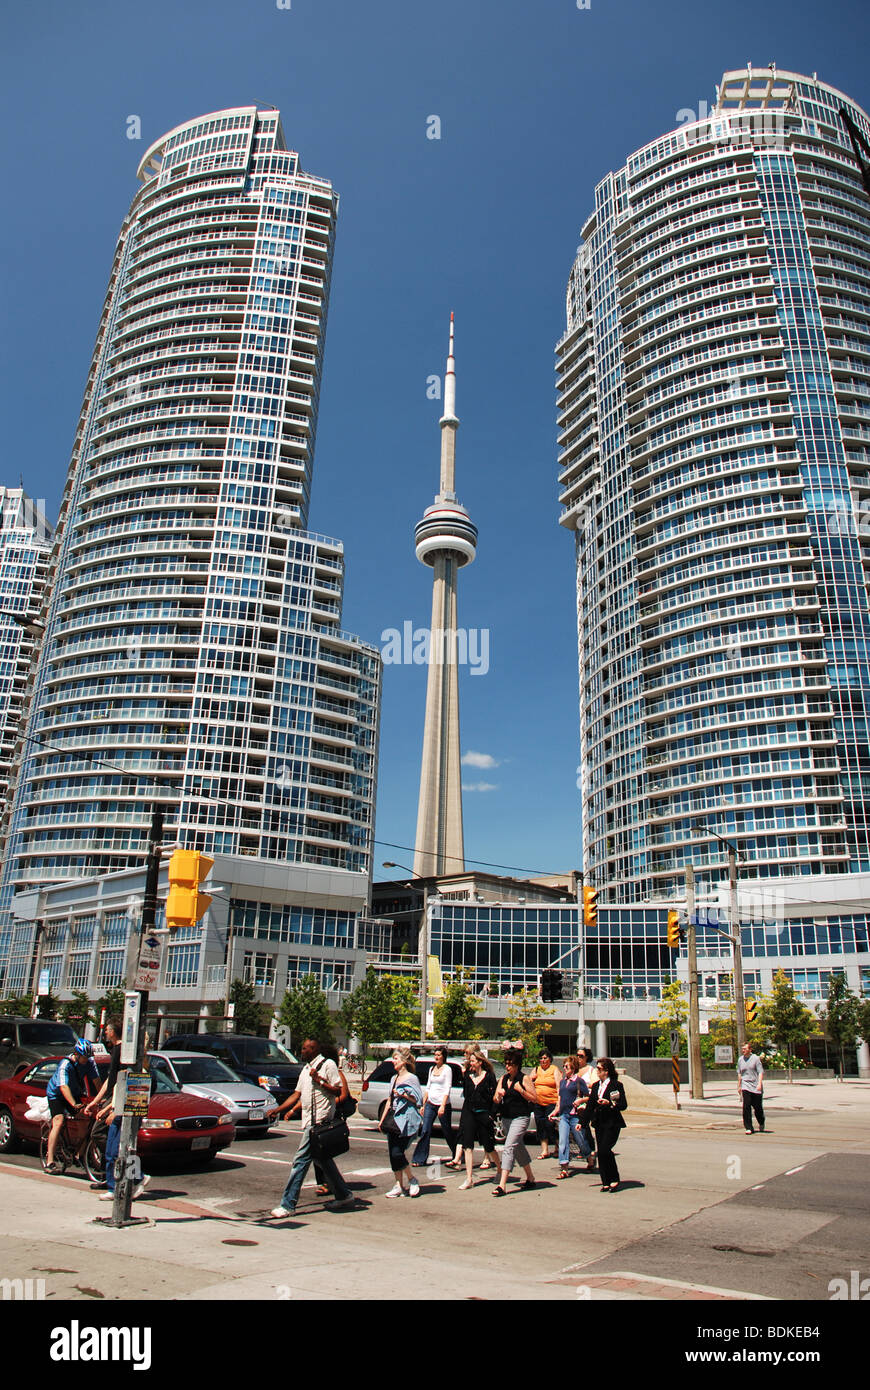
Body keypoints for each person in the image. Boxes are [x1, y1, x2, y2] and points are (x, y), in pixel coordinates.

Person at [270, 1037, 355, 1219]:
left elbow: (338, 1092)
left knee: (300, 1162)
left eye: (307, 1048)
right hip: (309, 1120)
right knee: (323, 1160)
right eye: (302, 1048)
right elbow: (297, 1094)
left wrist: (320, 1081)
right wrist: (279, 1109)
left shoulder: (328, 1065)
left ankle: (288, 1204)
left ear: (315, 1050)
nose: (303, 1051)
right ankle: (344, 1195)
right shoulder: (306, 1069)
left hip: (320, 1122)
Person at [44, 1038, 101, 1173]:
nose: (86, 1060)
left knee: (86, 1118)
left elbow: (97, 1082)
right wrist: (74, 1105)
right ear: (77, 1054)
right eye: (84, 1057)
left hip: (74, 1092)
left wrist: (102, 1099)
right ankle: (50, 1161)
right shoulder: (65, 1064)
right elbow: (63, 1087)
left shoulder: (90, 1063)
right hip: (57, 1094)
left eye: (88, 1057)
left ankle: (79, 1154)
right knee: (58, 1121)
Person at [491, 1048, 536, 1195]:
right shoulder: (504, 1079)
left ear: (517, 1065)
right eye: (506, 1063)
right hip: (506, 1118)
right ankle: (530, 1177)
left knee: (509, 1146)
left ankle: (502, 1185)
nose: (507, 1066)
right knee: (518, 1147)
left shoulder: (524, 1079)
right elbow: (495, 1099)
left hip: (521, 1117)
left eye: (510, 1064)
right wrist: (498, 1096)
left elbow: (534, 1098)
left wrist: (521, 1090)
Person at [379, 1047, 424, 1197]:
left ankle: (412, 1179)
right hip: (393, 1119)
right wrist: (382, 1119)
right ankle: (398, 1185)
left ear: (403, 1062)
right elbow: (390, 1101)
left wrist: (404, 1095)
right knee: (393, 1154)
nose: (394, 1061)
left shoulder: (412, 1078)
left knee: (398, 1153)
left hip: (405, 1119)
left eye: (396, 1059)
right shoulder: (394, 1078)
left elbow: (418, 1100)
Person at [456, 1049, 500, 1189]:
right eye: (470, 1061)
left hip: (483, 1114)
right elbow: (466, 1096)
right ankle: (469, 1178)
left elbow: (495, 1099)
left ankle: (500, 1169)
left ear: (480, 1062)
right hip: (470, 1112)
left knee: (488, 1145)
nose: (471, 1064)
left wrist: (491, 1115)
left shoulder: (489, 1076)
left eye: (473, 1061)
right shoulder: (468, 1076)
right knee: (467, 1145)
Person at [585, 1057, 627, 1193]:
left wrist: (610, 1104)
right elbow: (590, 1106)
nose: (597, 1071)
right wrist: (582, 1122)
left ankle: (614, 1178)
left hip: (612, 1122)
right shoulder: (597, 1086)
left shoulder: (616, 1085)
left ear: (606, 1071)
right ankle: (606, 1181)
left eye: (599, 1069)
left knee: (604, 1150)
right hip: (599, 1122)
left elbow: (623, 1105)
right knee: (602, 1153)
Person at [551, 1054, 593, 1179]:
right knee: (563, 1141)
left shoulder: (579, 1081)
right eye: (564, 1066)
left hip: (575, 1116)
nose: (564, 1068)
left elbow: (589, 1096)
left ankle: (589, 1158)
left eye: (567, 1066)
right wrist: (554, 1112)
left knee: (581, 1141)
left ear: (573, 1068)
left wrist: (580, 1101)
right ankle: (564, 1168)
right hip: (564, 1116)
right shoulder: (563, 1082)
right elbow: (560, 1099)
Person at [412, 1046, 456, 1167]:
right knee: (425, 1130)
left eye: (439, 1055)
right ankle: (420, 1158)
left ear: (443, 1057)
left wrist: (442, 1105)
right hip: (430, 1104)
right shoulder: (432, 1069)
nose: (436, 1057)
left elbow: (448, 1087)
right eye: (435, 1055)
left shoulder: (447, 1069)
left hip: (443, 1105)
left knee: (447, 1131)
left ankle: (457, 1154)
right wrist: (423, 1104)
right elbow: (428, 1087)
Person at [530, 1049, 562, 1158]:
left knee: (550, 1124)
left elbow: (559, 1086)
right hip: (538, 1102)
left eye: (545, 1058)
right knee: (540, 1124)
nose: (543, 1060)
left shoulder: (554, 1069)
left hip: (551, 1101)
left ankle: (558, 1147)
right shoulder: (536, 1069)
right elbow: (528, 1081)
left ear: (550, 1059)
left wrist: (559, 1101)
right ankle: (545, 1150)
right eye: (541, 1058)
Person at [737, 1041, 765, 1134]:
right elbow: (740, 1073)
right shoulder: (740, 1060)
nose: (743, 1050)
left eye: (745, 1049)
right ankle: (748, 1127)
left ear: (750, 1050)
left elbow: (760, 1072)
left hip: (756, 1086)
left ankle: (761, 1122)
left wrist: (759, 1084)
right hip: (746, 1085)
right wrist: (739, 1086)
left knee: (758, 1108)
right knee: (746, 1106)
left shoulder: (756, 1059)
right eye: (742, 1049)